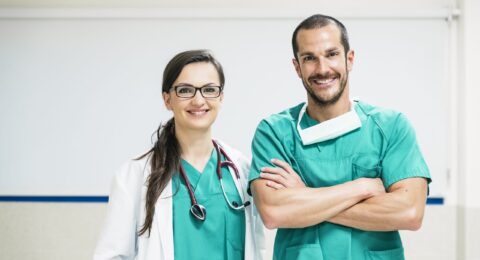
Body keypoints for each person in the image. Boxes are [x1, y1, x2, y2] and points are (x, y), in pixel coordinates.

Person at [248, 14, 431, 260]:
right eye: (309, 58)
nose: (322, 69)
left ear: (349, 59)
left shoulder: (390, 127)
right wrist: (362, 187)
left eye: (331, 54)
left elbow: (409, 212)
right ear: (297, 67)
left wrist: (306, 196)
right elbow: (274, 212)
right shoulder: (274, 132)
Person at [94, 50, 265, 260]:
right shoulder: (134, 175)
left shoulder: (242, 170)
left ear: (221, 97)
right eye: (185, 90)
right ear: (167, 100)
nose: (198, 100)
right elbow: (112, 255)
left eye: (209, 89)